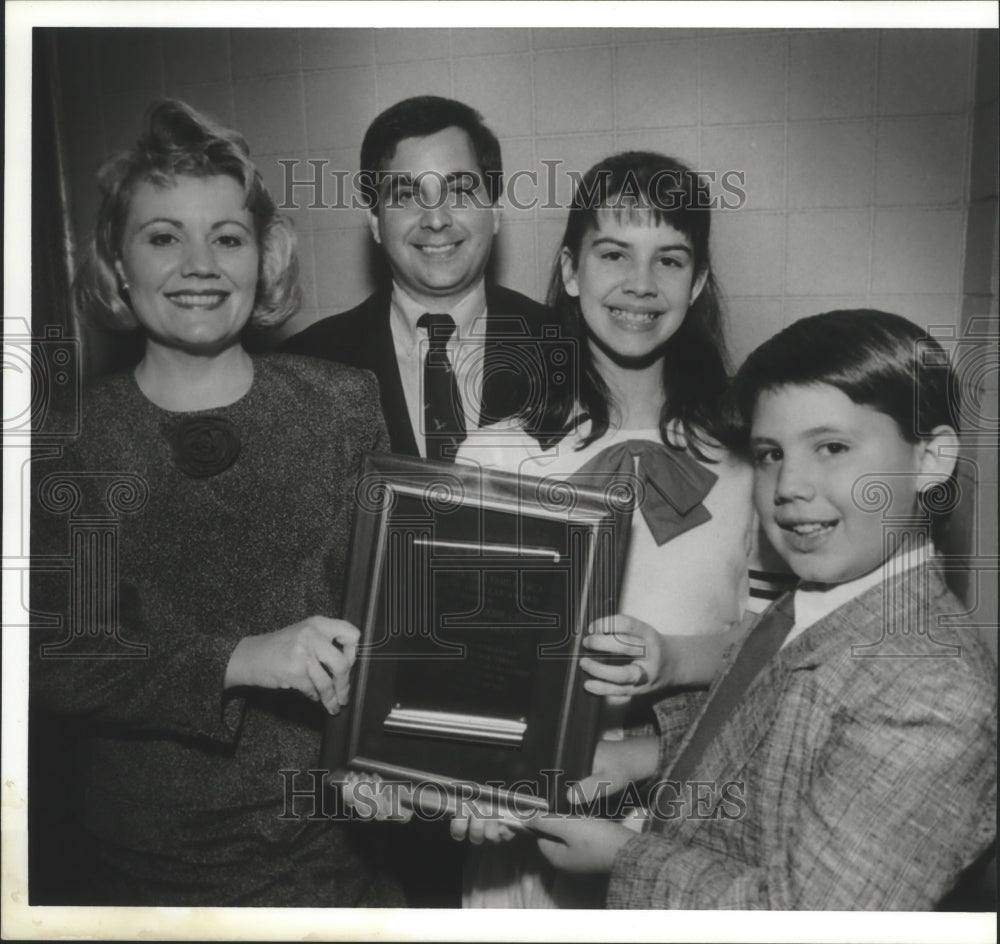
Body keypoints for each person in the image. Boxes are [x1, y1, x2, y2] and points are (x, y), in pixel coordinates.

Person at [30, 99, 404, 907]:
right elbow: (60, 660)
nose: (200, 264)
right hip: (157, 871)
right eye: (164, 237)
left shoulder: (341, 402)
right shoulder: (74, 443)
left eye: (227, 238)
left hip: (341, 855)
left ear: (263, 261)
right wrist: (240, 658)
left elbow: (386, 610)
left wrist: (389, 753)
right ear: (117, 266)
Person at [501, 310, 997, 909]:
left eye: (832, 447)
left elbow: (809, 918)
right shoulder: (821, 603)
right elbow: (766, 735)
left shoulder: (931, 689)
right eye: (770, 454)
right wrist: (627, 760)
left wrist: (622, 855)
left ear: (931, 459)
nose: (789, 485)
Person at [451, 152, 789, 907]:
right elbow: (461, 662)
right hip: (530, 830)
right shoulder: (497, 453)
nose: (642, 285)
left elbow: (781, 653)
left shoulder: (750, 459)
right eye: (614, 254)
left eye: (669, 259)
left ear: (697, 283)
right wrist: (461, 781)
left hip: (693, 822)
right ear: (571, 270)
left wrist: (671, 664)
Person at [281, 95, 552, 460]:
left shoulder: (569, 347)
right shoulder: (306, 368)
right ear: (375, 223)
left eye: (458, 191)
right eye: (407, 195)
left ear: (496, 212)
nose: (436, 219)